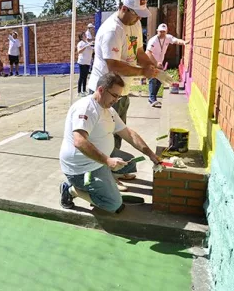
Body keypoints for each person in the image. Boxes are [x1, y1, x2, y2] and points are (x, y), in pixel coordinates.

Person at [59, 72, 160, 213]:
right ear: (101, 90)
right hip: (82, 168)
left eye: (119, 96)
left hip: (98, 161)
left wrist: (150, 154)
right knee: (114, 204)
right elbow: (79, 141)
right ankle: (71, 190)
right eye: (114, 95)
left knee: (129, 163)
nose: (117, 100)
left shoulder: (108, 109)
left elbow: (128, 133)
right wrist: (107, 161)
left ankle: (105, 181)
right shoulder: (87, 109)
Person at [87, 0, 157, 152]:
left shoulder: (135, 23)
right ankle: (104, 170)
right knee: (103, 134)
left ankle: (114, 167)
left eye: (141, 15)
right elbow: (114, 66)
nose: (139, 18)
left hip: (122, 89)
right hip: (106, 90)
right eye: (136, 14)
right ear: (124, 8)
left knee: (118, 132)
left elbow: (139, 52)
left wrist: (151, 66)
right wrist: (142, 72)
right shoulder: (112, 30)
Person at [146, 23, 186, 106]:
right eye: (160, 31)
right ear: (157, 31)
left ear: (166, 31)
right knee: (153, 79)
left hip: (160, 63)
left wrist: (184, 42)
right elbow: (148, 53)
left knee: (160, 80)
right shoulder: (153, 40)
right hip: (151, 62)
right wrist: (156, 63)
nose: (162, 33)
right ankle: (152, 98)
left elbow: (176, 40)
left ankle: (153, 97)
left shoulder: (168, 38)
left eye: (164, 32)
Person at [77, 32, 93, 96]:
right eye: (84, 35)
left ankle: (84, 90)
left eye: (85, 35)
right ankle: (79, 92)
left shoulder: (87, 43)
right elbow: (79, 51)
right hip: (82, 62)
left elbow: (91, 50)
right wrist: (86, 46)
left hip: (88, 62)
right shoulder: (80, 43)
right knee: (81, 76)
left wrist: (91, 45)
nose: (85, 36)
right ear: (81, 37)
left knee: (85, 77)